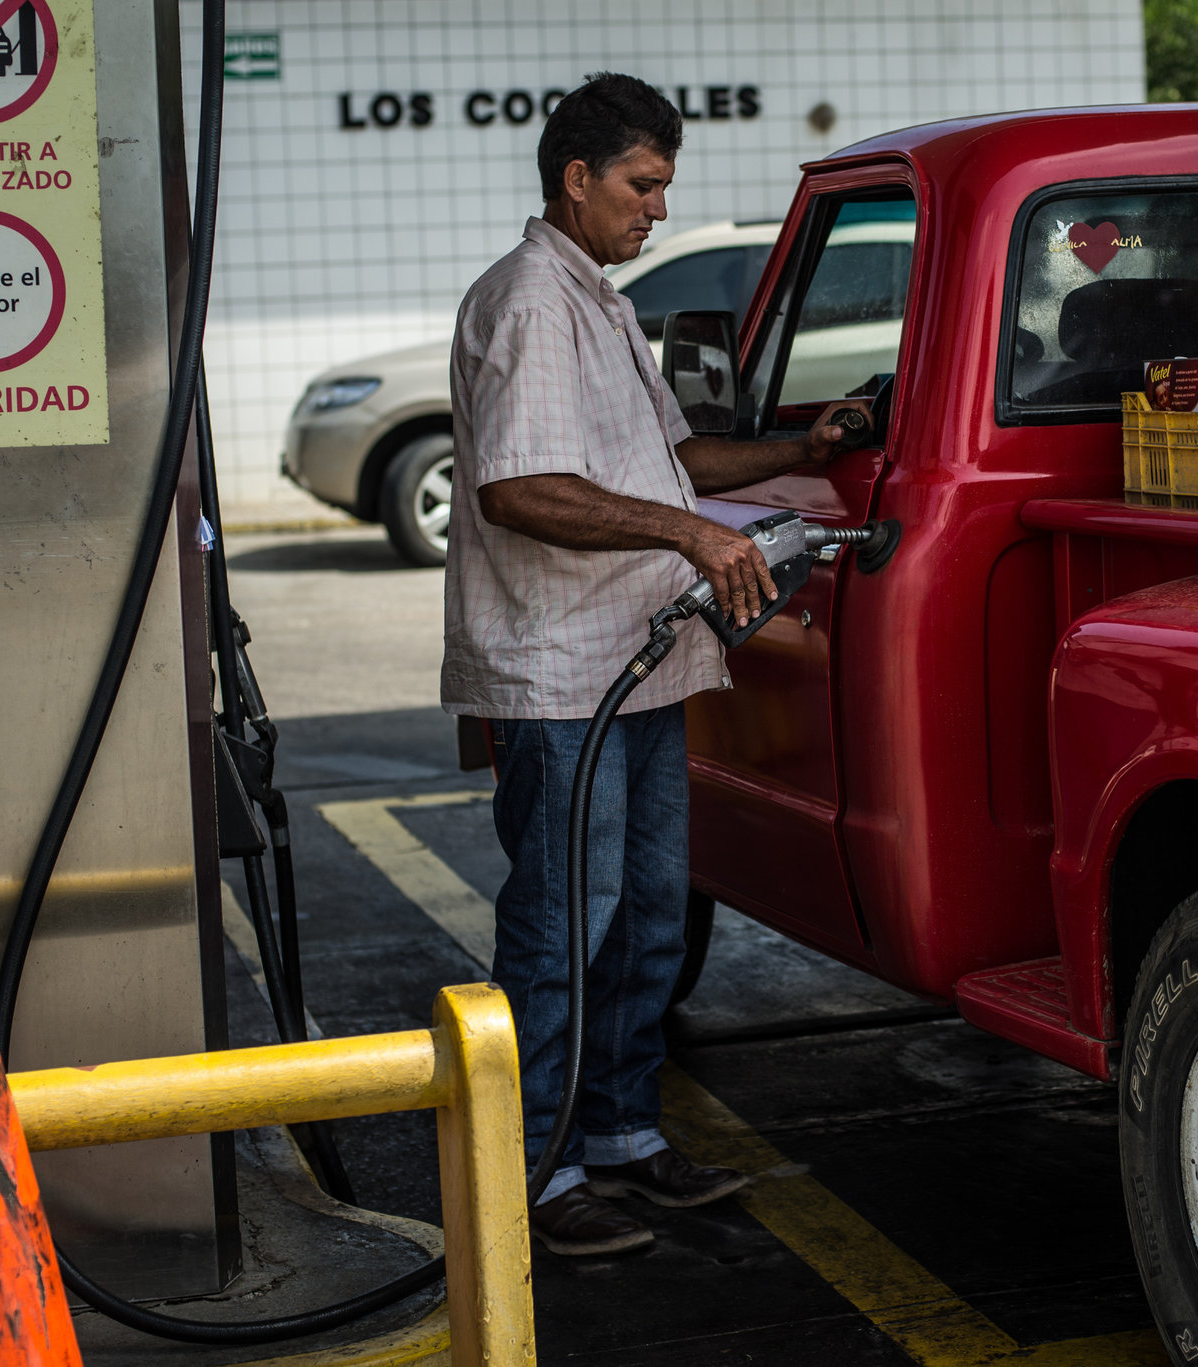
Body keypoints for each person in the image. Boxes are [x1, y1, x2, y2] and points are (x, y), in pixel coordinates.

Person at [442, 72, 868, 1256]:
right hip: (559, 674)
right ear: (575, 177)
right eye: (641, 184)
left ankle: (622, 1132)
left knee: (639, 915)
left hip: (638, 662)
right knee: (560, 921)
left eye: (663, 186)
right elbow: (519, 489)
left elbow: (671, 465)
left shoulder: (601, 301)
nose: (655, 210)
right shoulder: (531, 300)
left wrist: (799, 443)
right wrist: (690, 534)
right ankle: (531, 1168)